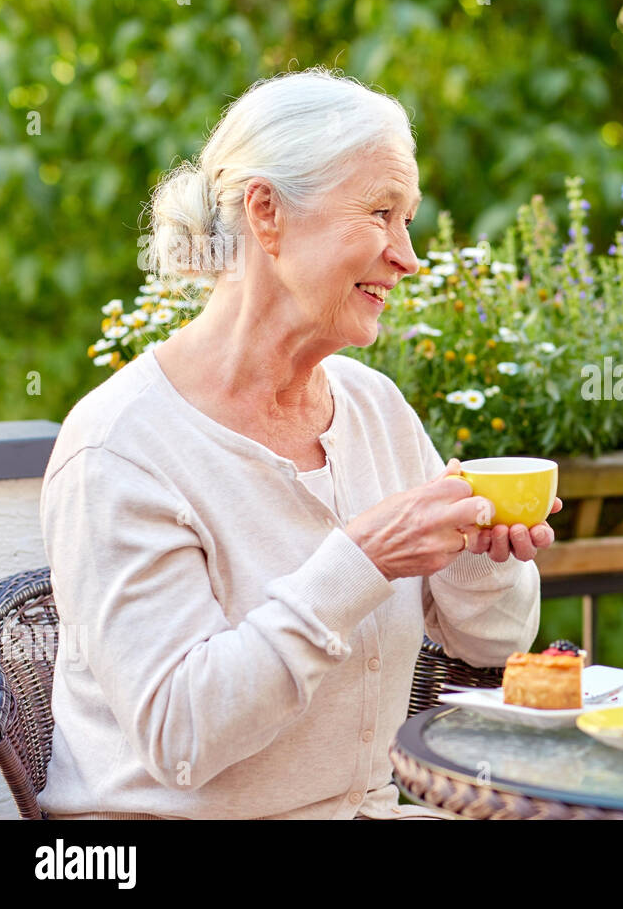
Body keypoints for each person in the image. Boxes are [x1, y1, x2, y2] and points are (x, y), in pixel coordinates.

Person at [39, 68, 559, 818]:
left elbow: (493, 645)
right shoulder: (122, 447)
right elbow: (184, 735)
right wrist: (361, 561)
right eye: (382, 213)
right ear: (266, 212)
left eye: (407, 219)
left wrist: (480, 557)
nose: (408, 257)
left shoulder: (373, 407)